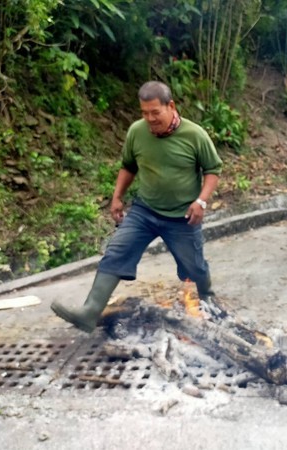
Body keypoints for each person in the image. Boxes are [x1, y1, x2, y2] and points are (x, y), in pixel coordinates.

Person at [51, 81, 223, 332]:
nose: (150, 119)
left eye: (155, 112)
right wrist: (117, 196)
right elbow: (129, 166)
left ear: (171, 106)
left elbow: (213, 170)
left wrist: (201, 201)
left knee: (194, 267)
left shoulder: (194, 135)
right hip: (145, 211)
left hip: (183, 216)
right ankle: (89, 313)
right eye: (144, 113)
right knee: (117, 250)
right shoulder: (137, 132)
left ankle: (210, 304)